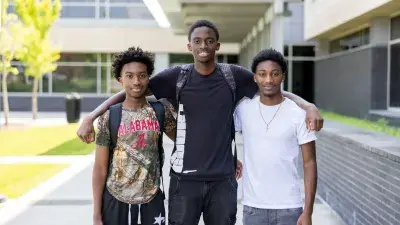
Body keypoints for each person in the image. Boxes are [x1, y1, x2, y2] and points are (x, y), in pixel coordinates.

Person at [79, 20, 323, 225]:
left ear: (217, 45)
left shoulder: (233, 76)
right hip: (184, 183)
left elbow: (270, 87)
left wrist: (307, 106)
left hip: (223, 182)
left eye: (209, 41)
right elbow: (133, 91)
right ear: (189, 46)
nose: (203, 45)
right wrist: (92, 116)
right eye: (197, 41)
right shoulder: (176, 77)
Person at [92, 46, 176, 225]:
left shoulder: (161, 112)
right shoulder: (110, 116)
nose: (136, 81)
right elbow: (100, 168)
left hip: (152, 200)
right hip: (116, 200)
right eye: (129, 76)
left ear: (148, 78)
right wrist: (96, 215)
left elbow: (186, 143)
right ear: (120, 79)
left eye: (142, 75)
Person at [234, 48, 317, 225]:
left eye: (275, 74)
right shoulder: (244, 109)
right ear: (255, 77)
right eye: (262, 74)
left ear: (283, 76)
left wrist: (308, 211)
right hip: (253, 207)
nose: (269, 80)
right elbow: (221, 134)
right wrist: (231, 157)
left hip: (290, 208)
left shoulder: (299, 114)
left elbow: (310, 163)